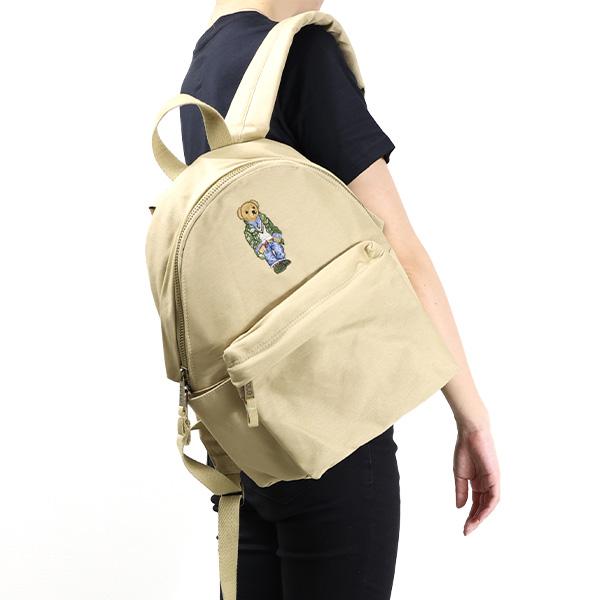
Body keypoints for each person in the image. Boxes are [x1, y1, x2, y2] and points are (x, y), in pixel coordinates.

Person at [179, 1, 501, 599]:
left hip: (249, 442)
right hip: (335, 431)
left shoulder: (207, 64)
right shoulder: (297, 52)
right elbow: (398, 249)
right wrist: (472, 417)